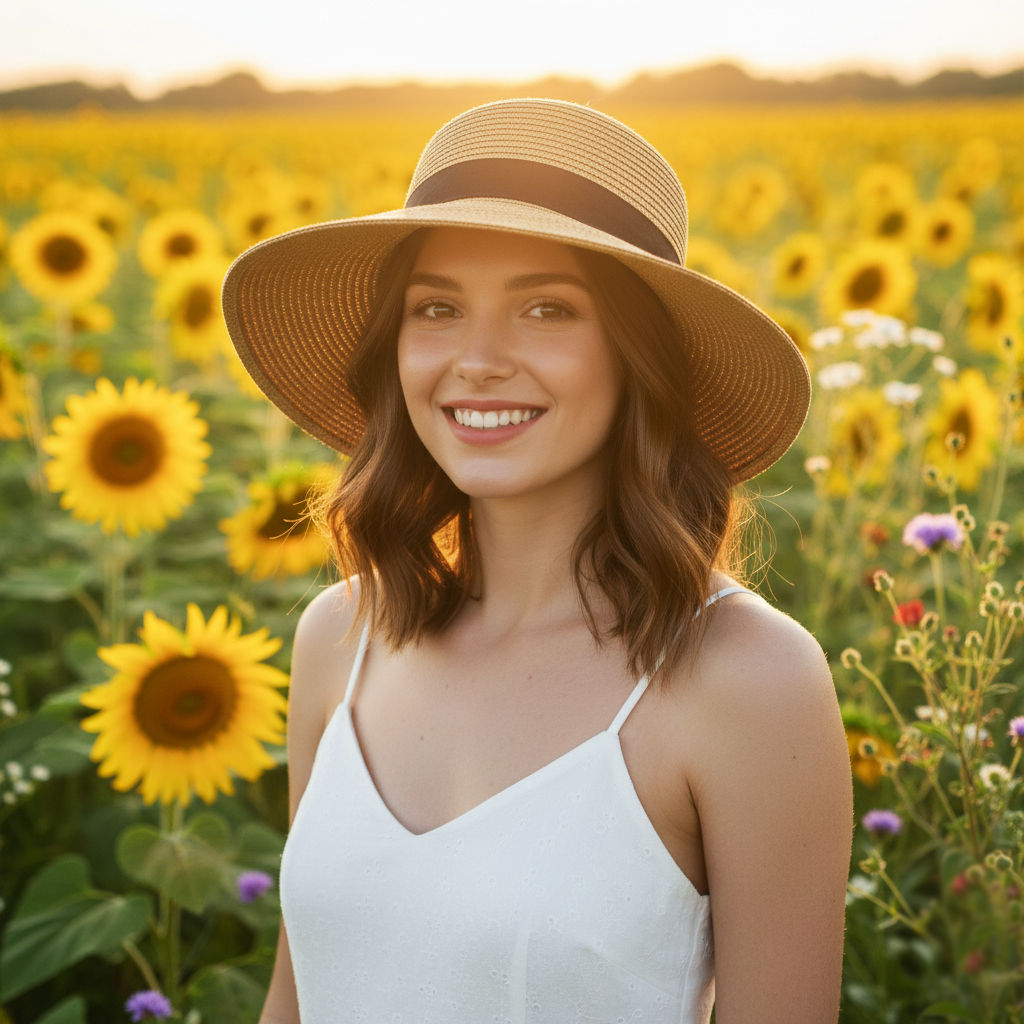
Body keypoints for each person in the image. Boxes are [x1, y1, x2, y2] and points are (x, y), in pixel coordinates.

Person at [223, 98, 853, 1024]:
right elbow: (298, 995)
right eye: (436, 308)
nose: (476, 360)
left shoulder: (745, 680)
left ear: (638, 358)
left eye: (546, 309)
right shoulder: (340, 637)